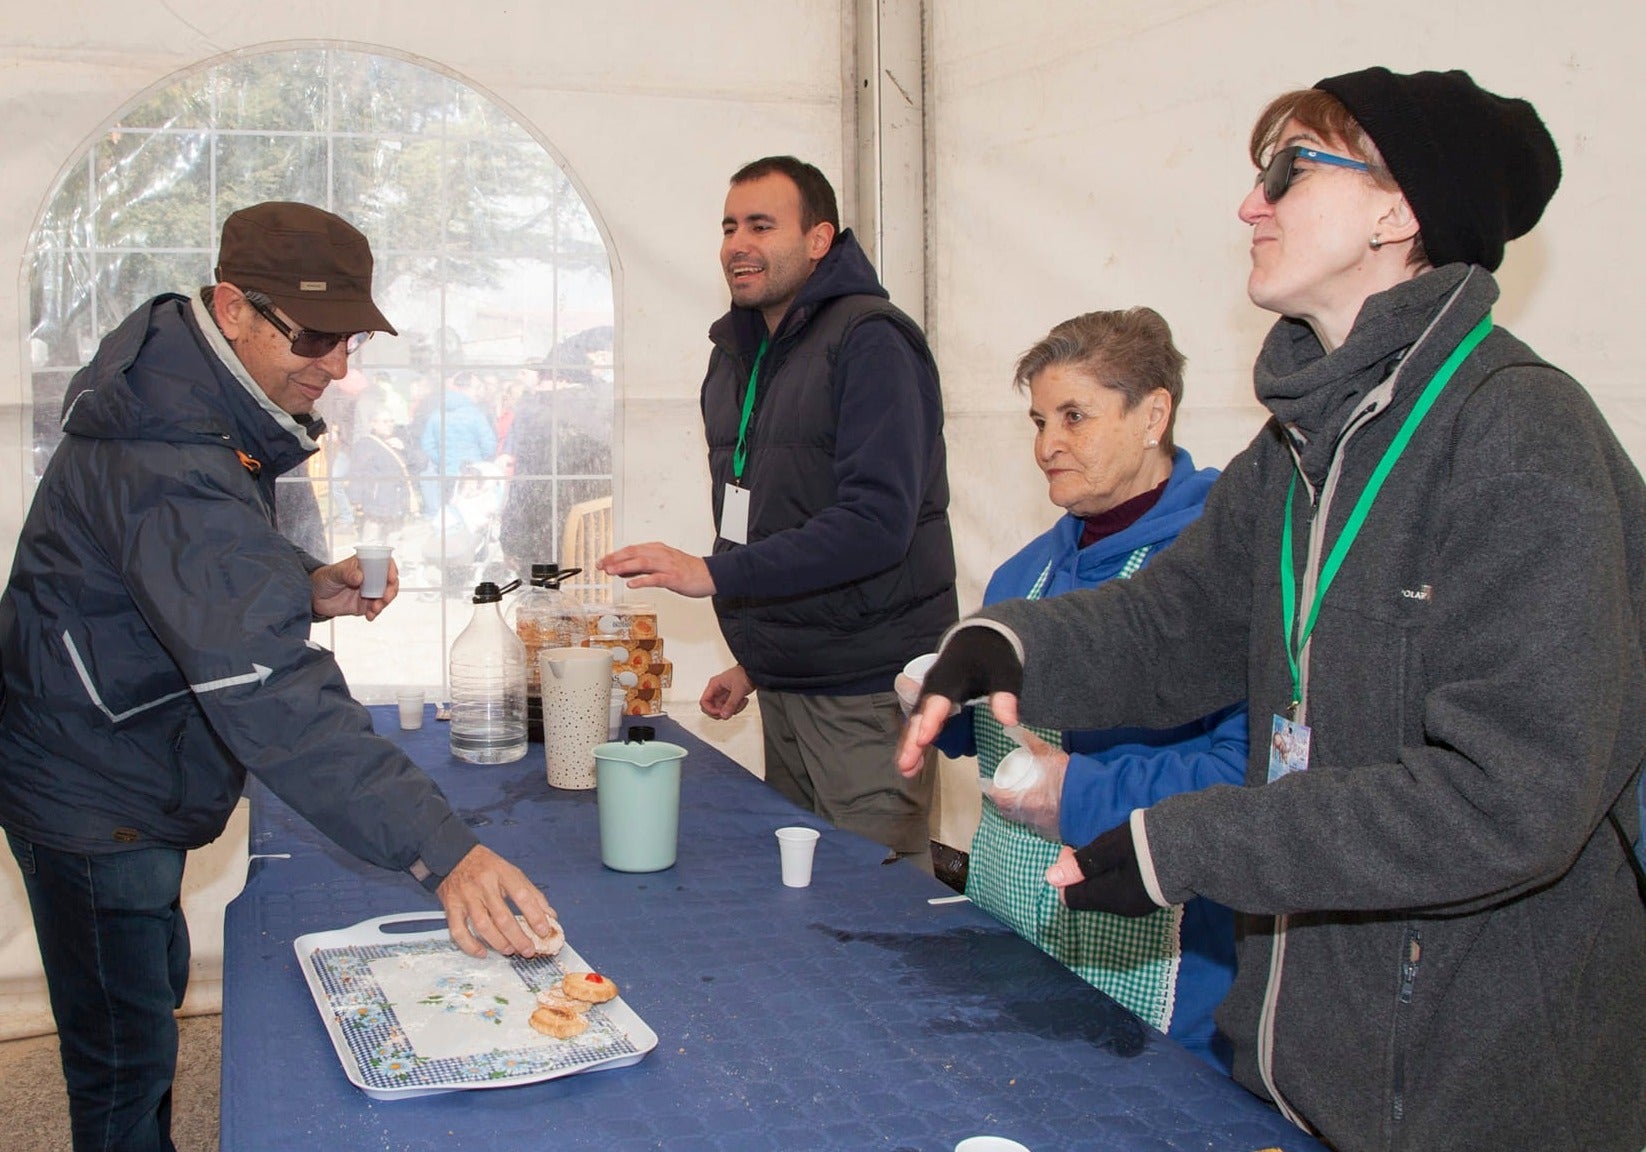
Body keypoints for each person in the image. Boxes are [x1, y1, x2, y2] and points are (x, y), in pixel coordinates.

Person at [898, 69, 1646, 1151]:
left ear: (1398, 212)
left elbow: (1506, 800)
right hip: (1312, 1065)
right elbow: (1173, 624)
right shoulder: (1302, 443)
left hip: (1476, 1089)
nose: (1250, 205)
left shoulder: (1519, 436)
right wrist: (1001, 644)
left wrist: (1182, 840)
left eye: (1289, 171)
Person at [0, 201, 558, 1152]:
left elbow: (182, 582)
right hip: (91, 789)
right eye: (319, 337)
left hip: (120, 756)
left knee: (145, 1002)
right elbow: (268, 686)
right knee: (123, 1067)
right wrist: (443, 849)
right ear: (232, 309)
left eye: (352, 340)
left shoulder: (191, 405)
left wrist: (301, 586)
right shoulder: (167, 448)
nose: (340, 366)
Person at [909, 307, 1245, 1072]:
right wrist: (943, 713)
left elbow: (1245, 771)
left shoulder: (1214, 573)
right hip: (1009, 940)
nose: (1046, 445)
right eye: (1037, 420)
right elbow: (997, 742)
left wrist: (1085, 790)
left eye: (1074, 417)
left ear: (1153, 413)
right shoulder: (1024, 572)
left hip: (1156, 971)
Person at [600, 155, 957, 867]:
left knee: (872, 921)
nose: (738, 244)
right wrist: (759, 660)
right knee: (800, 911)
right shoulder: (736, 353)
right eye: (730, 227)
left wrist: (712, 575)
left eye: (762, 225)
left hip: (864, 698)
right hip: (791, 686)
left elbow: (874, 527)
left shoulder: (871, 341)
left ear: (819, 239)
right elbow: (763, 516)